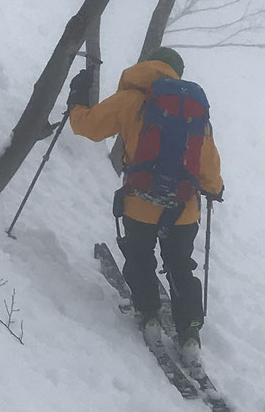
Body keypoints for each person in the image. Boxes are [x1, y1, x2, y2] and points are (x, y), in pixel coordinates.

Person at [66, 44, 224, 370]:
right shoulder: (193, 110)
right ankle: (190, 334)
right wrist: (214, 189)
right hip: (184, 209)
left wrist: (77, 102)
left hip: (141, 202)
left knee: (140, 258)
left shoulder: (133, 99)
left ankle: (150, 316)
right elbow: (208, 166)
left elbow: (88, 127)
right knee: (180, 267)